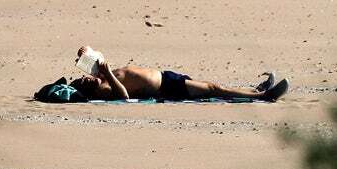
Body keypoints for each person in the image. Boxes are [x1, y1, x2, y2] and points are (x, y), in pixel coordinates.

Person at [68, 46, 290, 101]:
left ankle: (254, 90)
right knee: (215, 89)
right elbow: (123, 96)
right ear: (88, 88)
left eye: (81, 76)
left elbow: (90, 50)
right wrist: (107, 73)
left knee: (212, 86)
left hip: (166, 76)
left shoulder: (99, 73)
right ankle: (263, 97)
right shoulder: (104, 85)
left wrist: (85, 51)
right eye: (83, 81)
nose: (84, 78)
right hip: (165, 87)